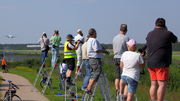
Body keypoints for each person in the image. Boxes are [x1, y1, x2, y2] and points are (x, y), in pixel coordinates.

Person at [146, 18, 178, 101]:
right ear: (164, 25)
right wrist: (167, 30)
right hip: (161, 63)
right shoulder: (168, 33)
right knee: (162, 85)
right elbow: (176, 41)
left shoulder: (149, 34)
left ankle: (153, 100)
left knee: (153, 84)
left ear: (155, 25)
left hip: (150, 63)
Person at [85, 28, 106, 95]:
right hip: (95, 59)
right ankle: (88, 88)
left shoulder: (89, 40)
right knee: (97, 72)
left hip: (91, 59)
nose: (96, 34)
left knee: (93, 74)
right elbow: (96, 50)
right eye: (96, 33)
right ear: (93, 33)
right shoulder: (94, 40)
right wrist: (103, 50)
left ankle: (88, 88)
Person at [113, 24, 129, 96]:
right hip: (122, 58)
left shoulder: (114, 38)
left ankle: (117, 91)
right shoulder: (126, 38)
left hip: (115, 57)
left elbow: (113, 49)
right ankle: (121, 93)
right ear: (126, 30)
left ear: (120, 29)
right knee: (123, 76)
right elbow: (128, 48)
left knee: (117, 76)